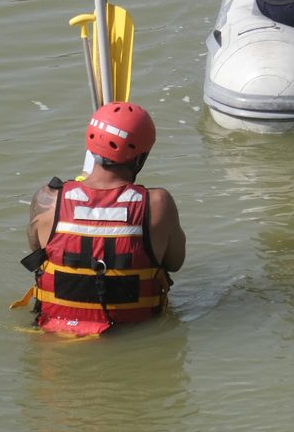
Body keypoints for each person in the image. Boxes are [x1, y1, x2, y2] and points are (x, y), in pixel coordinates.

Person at [16, 103, 186, 335]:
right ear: (141, 156)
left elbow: (37, 248)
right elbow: (175, 263)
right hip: (132, 335)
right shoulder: (158, 204)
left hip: (53, 339)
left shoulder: (49, 198)